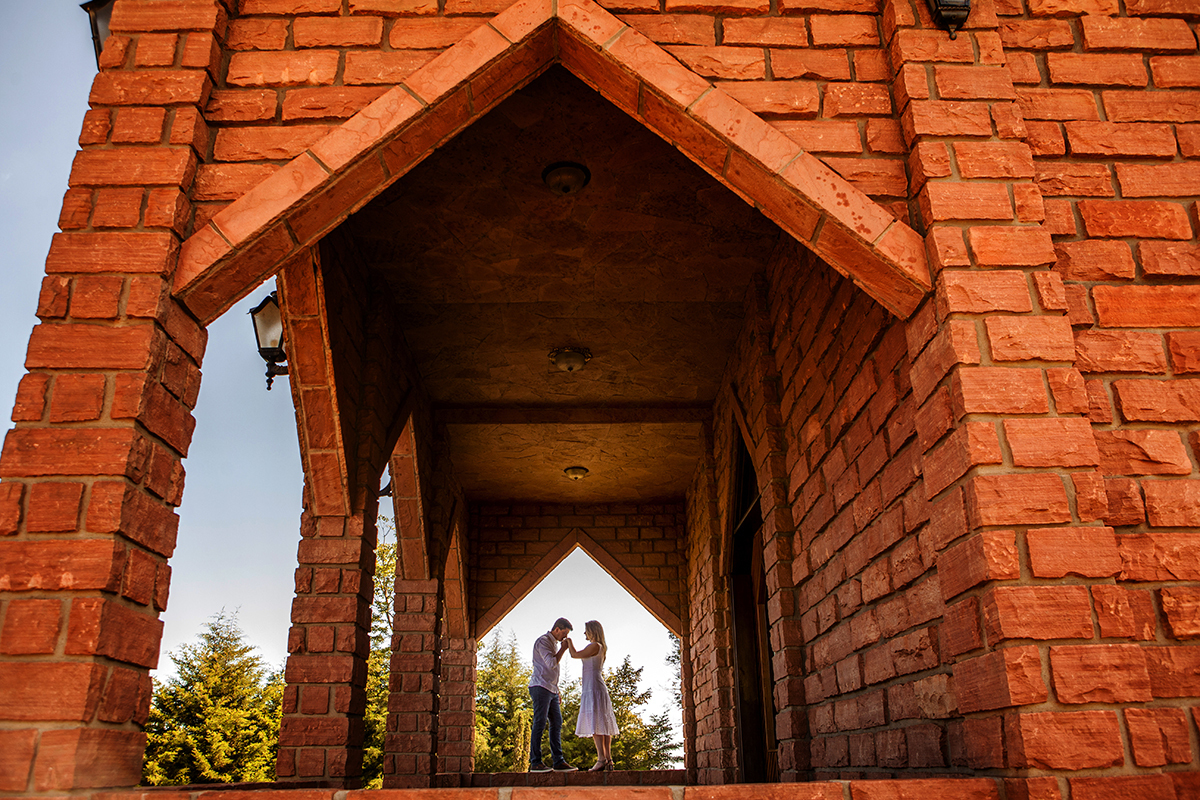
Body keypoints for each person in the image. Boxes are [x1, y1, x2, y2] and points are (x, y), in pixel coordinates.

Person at [567, 619, 620, 772]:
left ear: (592, 631)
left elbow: (574, 654)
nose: (584, 633)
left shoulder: (594, 646)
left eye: (586, 630)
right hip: (595, 685)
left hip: (593, 686)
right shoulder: (601, 647)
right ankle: (608, 759)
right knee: (603, 722)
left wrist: (568, 641)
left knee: (596, 722)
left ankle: (601, 759)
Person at [528, 617, 578, 772]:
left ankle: (558, 761)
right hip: (540, 687)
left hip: (552, 689)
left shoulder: (554, 644)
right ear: (557, 629)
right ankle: (535, 762)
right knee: (540, 722)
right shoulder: (543, 641)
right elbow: (551, 663)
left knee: (557, 722)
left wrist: (557, 690)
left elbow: (552, 671)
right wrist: (563, 649)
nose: (565, 637)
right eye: (564, 633)